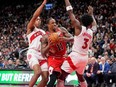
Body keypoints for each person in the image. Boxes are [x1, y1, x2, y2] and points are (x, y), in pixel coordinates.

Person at [56, 0, 97, 87]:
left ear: (81, 21)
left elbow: (70, 12)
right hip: (84, 58)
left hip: (75, 56)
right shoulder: (91, 31)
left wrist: (66, 0)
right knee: (81, 77)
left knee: (61, 77)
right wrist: (91, 14)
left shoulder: (79, 27)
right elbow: (94, 25)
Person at [41, 17, 73, 87]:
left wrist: (66, 39)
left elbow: (73, 39)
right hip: (53, 59)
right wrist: (49, 46)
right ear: (48, 25)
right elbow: (42, 53)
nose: (55, 24)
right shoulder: (45, 36)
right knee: (53, 78)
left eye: (55, 22)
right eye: (52, 23)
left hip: (63, 57)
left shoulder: (62, 30)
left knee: (61, 79)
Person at [26, 0, 48, 87]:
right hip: (33, 53)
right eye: (37, 19)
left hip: (42, 54)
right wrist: (43, 4)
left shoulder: (43, 32)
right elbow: (35, 16)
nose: (38, 21)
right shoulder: (30, 28)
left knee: (46, 78)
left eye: (40, 20)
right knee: (38, 72)